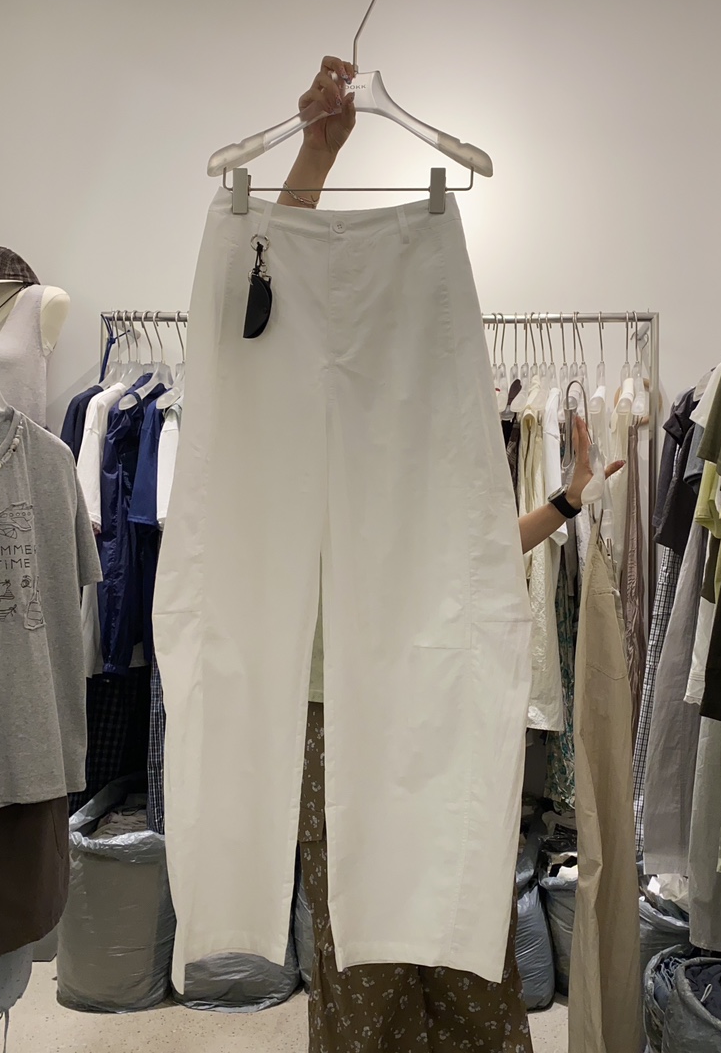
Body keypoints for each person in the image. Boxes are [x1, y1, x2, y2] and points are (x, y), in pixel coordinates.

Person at [285, 57, 624, 1053]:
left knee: (461, 923)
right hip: (337, 709)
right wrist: (314, 158)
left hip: (439, 697)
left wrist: (565, 501)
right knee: (361, 943)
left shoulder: (437, 432)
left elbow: (472, 553)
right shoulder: (309, 430)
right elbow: (278, 300)